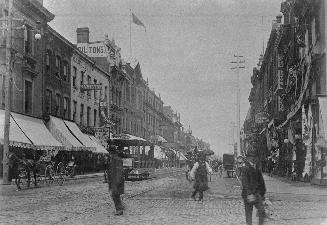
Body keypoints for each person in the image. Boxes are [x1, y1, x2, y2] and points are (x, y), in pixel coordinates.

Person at [241, 149, 266, 225]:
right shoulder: (245, 167)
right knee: (249, 214)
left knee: (262, 211)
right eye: (252, 156)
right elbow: (244, 182)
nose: (254, 158)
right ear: (248, 157)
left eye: (254, 156)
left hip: (257, 193)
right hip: (248, 194)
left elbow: (261, 181)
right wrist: (249, 194)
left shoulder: (256, 166)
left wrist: (262, 193)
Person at [107, 146, 125, 216]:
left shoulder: (116, 160)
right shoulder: (113, 159)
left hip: (116, 181)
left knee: (115, 195)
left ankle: (119, 210)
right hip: (114, 181)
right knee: (115, 195)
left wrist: (116, 183)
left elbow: (118, 171)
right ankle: (120, 208)